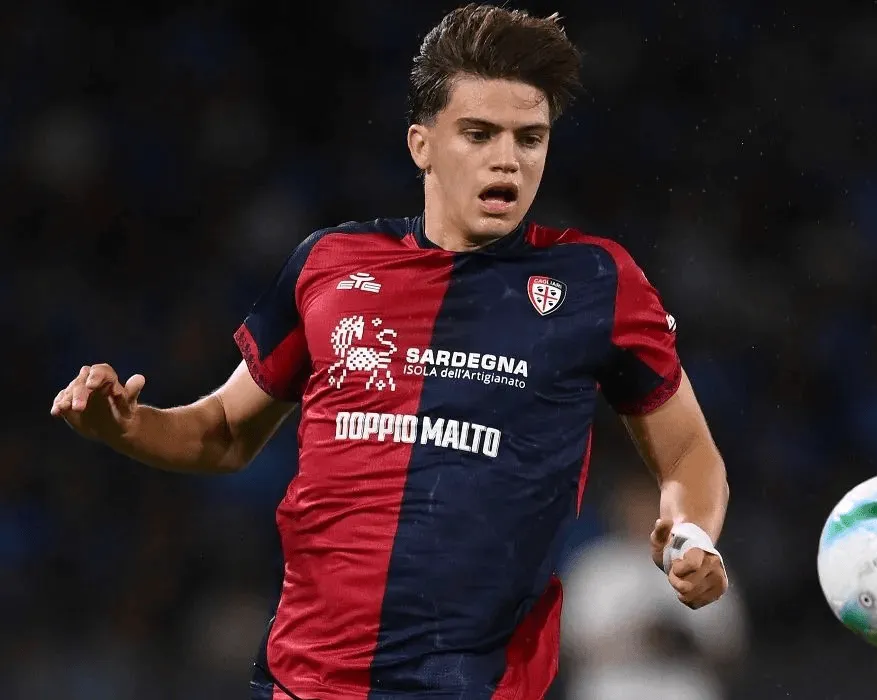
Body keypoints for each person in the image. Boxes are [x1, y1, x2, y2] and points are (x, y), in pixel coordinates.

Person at [50, 4, 730, 699]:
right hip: (305, 684)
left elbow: (687, 452)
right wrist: (125, 425)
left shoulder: (595, 281)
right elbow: (225, 431)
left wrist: (692, 535)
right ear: (421, 144)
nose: (508, 159)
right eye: (478, 133)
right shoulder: (329, 263)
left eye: (530, 138)